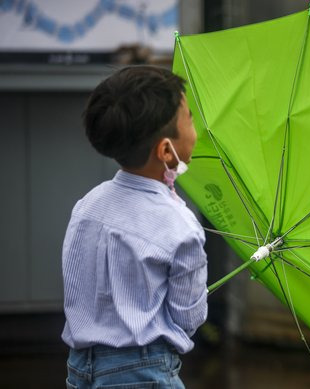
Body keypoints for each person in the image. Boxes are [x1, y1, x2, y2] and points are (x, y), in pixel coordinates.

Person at [61, 66, 207, 389]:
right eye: (191, 118)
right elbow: (188, 319)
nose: (196, 128)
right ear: (167, 150)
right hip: (144, 371)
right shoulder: (181, 226)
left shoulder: (86, 206)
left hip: (80, 367)